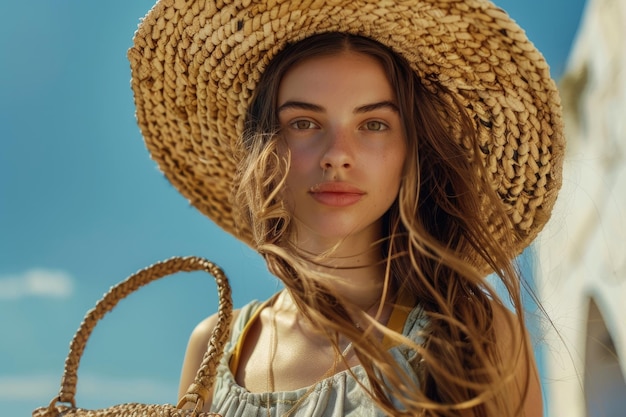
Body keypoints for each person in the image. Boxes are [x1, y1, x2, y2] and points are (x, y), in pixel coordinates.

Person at [128, 1, 565, 416]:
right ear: (265, 148)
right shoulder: (212, 346)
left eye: (373, 124)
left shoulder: (477, 335)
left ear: (410, 153)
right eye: (304, 123)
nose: (338, 154)